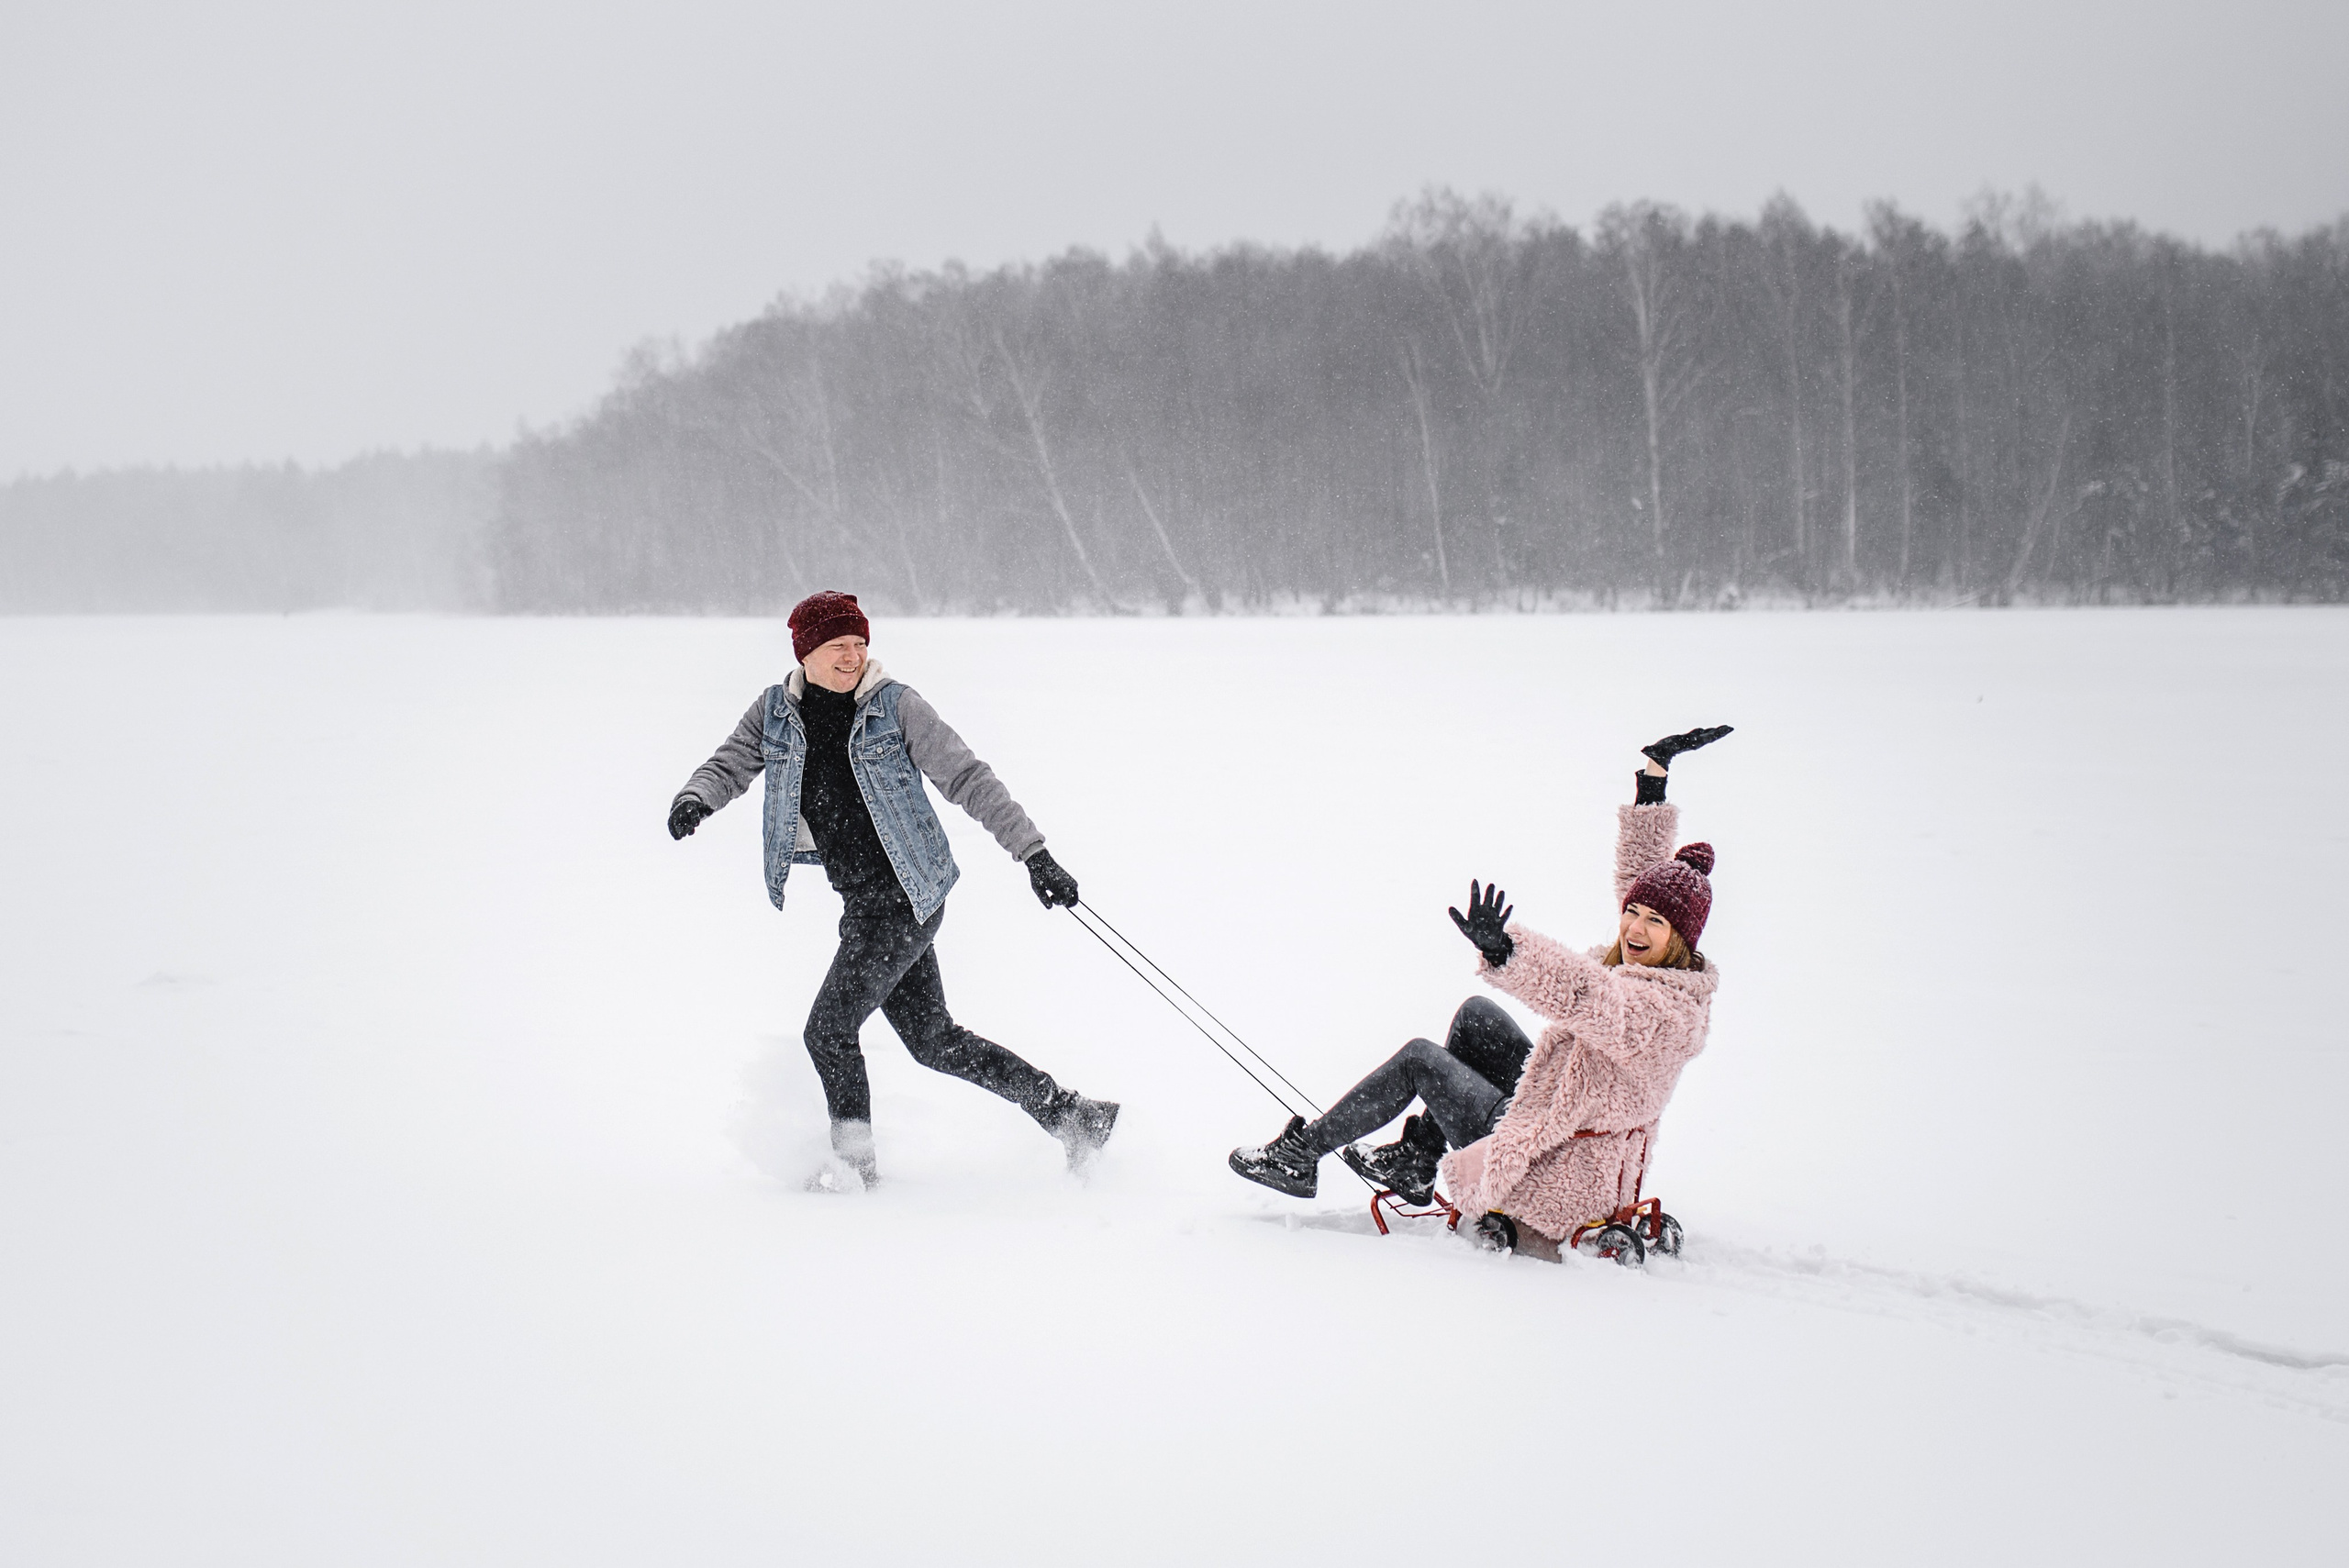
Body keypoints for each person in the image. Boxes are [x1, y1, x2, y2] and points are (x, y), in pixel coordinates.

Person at [668, 590, 1118, 1190]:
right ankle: (1072, 1116)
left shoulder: (895, 706)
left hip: (907, 898)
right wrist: (696, 797)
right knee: (934, 1041)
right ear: (806, 653)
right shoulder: (775, 712)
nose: (852, 656)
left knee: (828, 1033)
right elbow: (729, 763)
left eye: (860, 643)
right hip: (863, 903)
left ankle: (855, 1170)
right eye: (838, 645)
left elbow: (968, 778)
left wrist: (1034, 854)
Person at [1227, 725, 1731, 1255]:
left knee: (1420, 1059)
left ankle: (1301, 1155)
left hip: (1553, 1160)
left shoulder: (1665, 1015)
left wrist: (1509, 951)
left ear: (1681, 938)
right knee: (1477, 1014)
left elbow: (1586, 995)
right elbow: (1641, 879)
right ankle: (1418, 1159)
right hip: (1558, 1112)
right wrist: (1654, 777)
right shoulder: (1658, 971)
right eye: (1632, 911)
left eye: (1655, 921)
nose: (1634, 928)